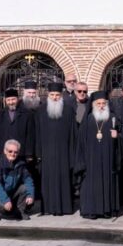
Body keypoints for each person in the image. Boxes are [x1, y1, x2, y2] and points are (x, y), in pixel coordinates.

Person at [75, 91, 120, 219]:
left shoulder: (113, 118)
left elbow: (122, 138)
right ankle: (92, 210)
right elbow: (81, 142)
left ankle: (107, 210)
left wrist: (117, 136)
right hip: (91, 160)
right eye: (98, 103)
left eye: (103, 103)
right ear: (93, 105)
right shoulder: (88, 120)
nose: (101, 106)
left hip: (107, 160)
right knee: (91, 185)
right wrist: (83, 161)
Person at [36, 83, 77, 215]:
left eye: (57, 95)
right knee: (48, 181)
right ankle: (48, 208)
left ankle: (65, 208)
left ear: (61, 96)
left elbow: (73, 134)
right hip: (47, 154)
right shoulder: (41, 110)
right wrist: (38, 153)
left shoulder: (68, 110)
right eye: (52, 95)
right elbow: (37, 133)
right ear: (48, 95)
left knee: (64, 180)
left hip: (64, 153)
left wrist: (72, 154)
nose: (55, 97)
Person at [0, 139, 34, 222]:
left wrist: (30, 195)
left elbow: (28, 179)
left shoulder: (21, 164)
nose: (13, 154)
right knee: (3, 205)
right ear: (5, 151)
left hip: (11, 192)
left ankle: (20, 211)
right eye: (10, 151)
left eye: (16, 152)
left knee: (25, 188)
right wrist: (5, 200)